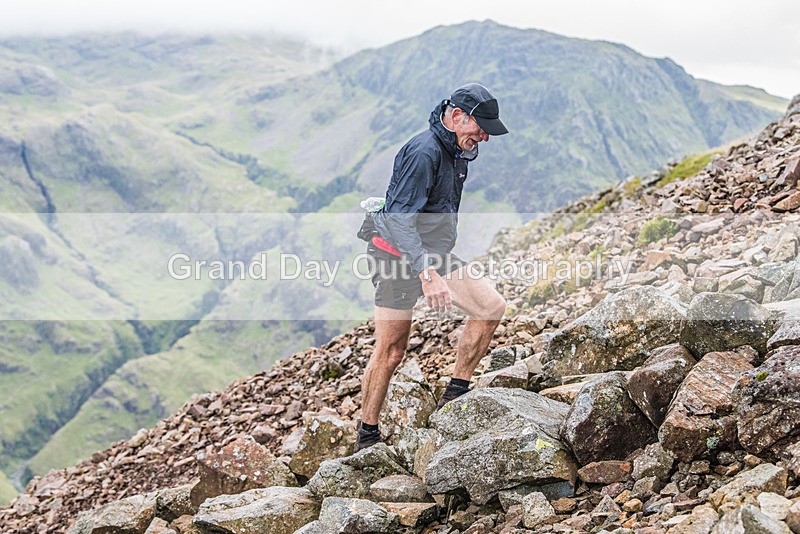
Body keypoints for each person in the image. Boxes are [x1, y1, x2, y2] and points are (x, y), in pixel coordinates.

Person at [357, 83, 509, 451]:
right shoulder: (424, 152)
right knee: (392, 350)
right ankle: (367, 436)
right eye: (480, 127)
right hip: (394, 255)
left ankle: (454, 396)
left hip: (431, 253)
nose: (485, 136)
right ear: (457, 116)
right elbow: (396, 219)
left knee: (490, 307)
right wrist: (428, 274)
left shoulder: (457, 148)